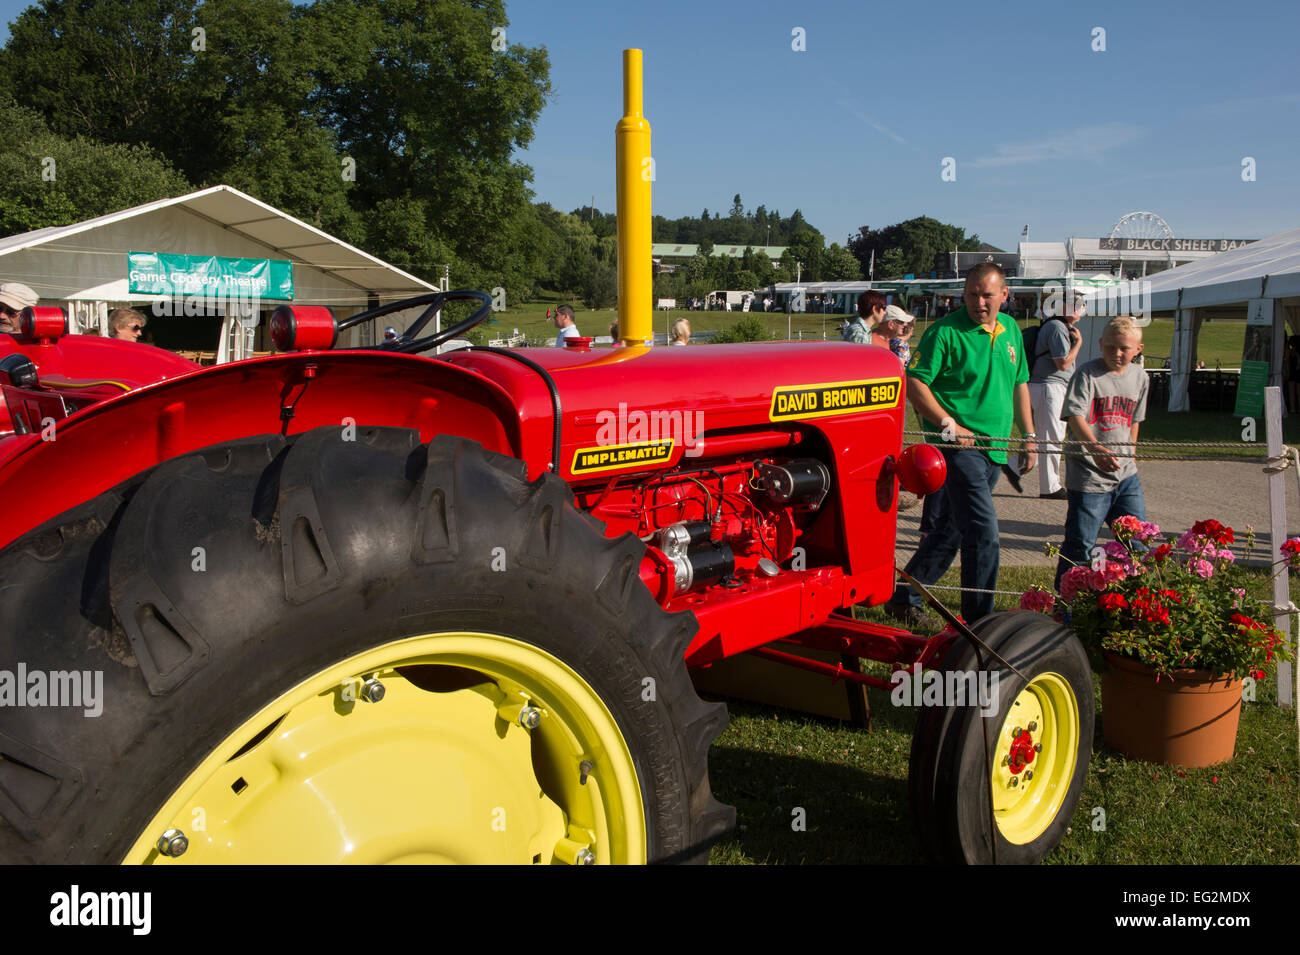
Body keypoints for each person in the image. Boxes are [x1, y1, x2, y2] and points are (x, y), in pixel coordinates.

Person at [883, 262, 1037, 626]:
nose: (978, 302)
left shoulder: (1012, 329)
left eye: (986, 295)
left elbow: (1020, 384)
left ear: (1005, 295)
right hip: (956, 449)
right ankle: (980, 622)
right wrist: (948, 423)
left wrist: (1029, 436)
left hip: (994, 450)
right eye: (971, 294)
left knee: (950, 530)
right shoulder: (945, 332)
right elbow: (916, 382)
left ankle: (903, 597)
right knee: (984, 534)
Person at [1054, 317, 1149, 590]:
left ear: (1138, 349)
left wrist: (1131, 455)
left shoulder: (1140, 377)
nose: (1117, 354)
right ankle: (1066, 601)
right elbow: (1074, 415)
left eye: (1124, 349)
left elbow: (1134, 420)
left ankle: (1131, 598)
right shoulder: (1087, 373)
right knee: (1081, 544)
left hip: (1126, 476)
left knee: (1137, 542)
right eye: (1110, 347)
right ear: (1100, 344)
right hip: (1089, 476)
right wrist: (1094, 449)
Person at [1027, 293, 1084, 499]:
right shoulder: (1057, 328)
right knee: (1051, 438)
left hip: (1050, 387)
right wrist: (1078, 344)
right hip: (1048, 386)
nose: (1081, 310)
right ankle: (1050, 486)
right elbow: (1062, 363)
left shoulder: (1058, 327)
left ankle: (1013, 466)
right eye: (1078, 305)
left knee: (1051, 437)